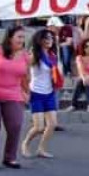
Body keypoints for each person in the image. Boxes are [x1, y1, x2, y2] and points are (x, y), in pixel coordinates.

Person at [0, 26, 30, 170]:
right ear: (10, 38)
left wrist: (27, 92)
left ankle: (10, 157)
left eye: (23, 37)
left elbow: (25, 76)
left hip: (14, 94)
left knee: (15, 125)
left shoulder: (25, 56)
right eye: (19, 37)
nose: (22, 40)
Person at [21, 29, 60, 158]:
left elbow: (55, 73)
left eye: (51, 38)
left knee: (52, 124)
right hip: (36, 93)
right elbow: (24, 73)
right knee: (38, 127)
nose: (50, 40)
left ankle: (41, 148)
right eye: (46, 38)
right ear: (40, 40)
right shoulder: (34, 55)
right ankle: (25, 143)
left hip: (49, 92)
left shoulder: (53, 56)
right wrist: (25, 90)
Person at [71, 38, 89, 112]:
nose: (88, 48)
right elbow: (80, 70)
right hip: (83, 79)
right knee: (82, 83)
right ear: (83, 47)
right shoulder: (79, 57)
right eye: (86, 46)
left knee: (87, 83)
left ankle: (74, 105)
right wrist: (84, 78)